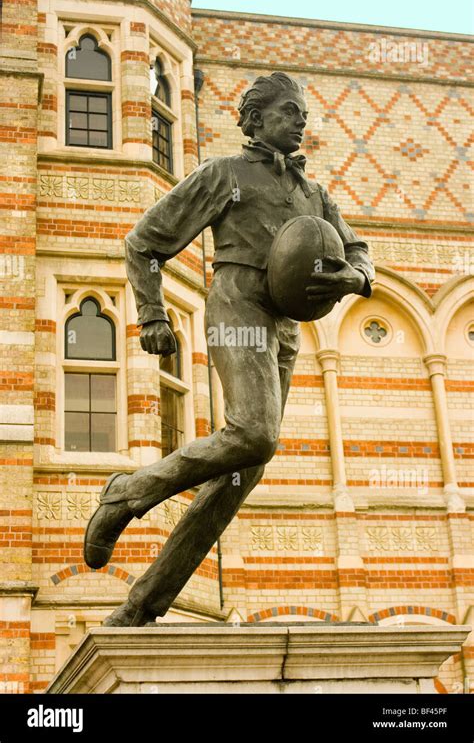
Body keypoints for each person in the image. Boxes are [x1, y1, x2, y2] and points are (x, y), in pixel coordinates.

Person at [83, 72, 375, 626]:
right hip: (238, 302)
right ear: (256, 119)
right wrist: (151, 313)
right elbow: (144, 241)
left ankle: (141, 606)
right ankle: (128, 491)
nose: (302, 121)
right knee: (255, 433)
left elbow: (360, 250)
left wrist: (356, 278)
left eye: (304, 113)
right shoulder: (225, 174)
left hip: (287, 322)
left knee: (247, 467)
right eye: (290, 111)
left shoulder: (314, 194)